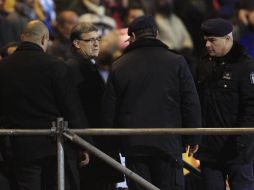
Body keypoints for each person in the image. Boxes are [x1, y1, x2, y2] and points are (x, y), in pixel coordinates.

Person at [101, 15, 202, 190]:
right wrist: (193, 138)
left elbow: (109, 109)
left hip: (134, 146)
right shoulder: (176, 62)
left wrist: (111, 146)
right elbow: (190, 101)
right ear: (156, 34)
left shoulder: (119, 66)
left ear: (132, 38)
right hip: (168, 145)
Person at [0, 20, 89, 190]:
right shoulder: (56, 66)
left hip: (20, 147)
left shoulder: (3, 68)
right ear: (44, 39)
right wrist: (82, 143)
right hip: (56, 147)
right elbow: (71, 108)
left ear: (22, 38)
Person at [196, 18, 254, 190]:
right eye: (205, 40)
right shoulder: (204, 64)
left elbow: (252, 108)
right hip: (210, 149)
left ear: (228, 39)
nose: (207, 45)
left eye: (212, 40)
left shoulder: (246, 67)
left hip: (237, 149)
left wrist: (243, 141)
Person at [67, 22, 123, 190]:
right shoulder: (73, 68)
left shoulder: (89, 66)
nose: (96, 43)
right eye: (90, 40)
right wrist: (83, 144)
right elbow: (76, 109)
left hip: (98, 143)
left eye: (98, 39)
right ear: (76, 43)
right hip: (90, 144)